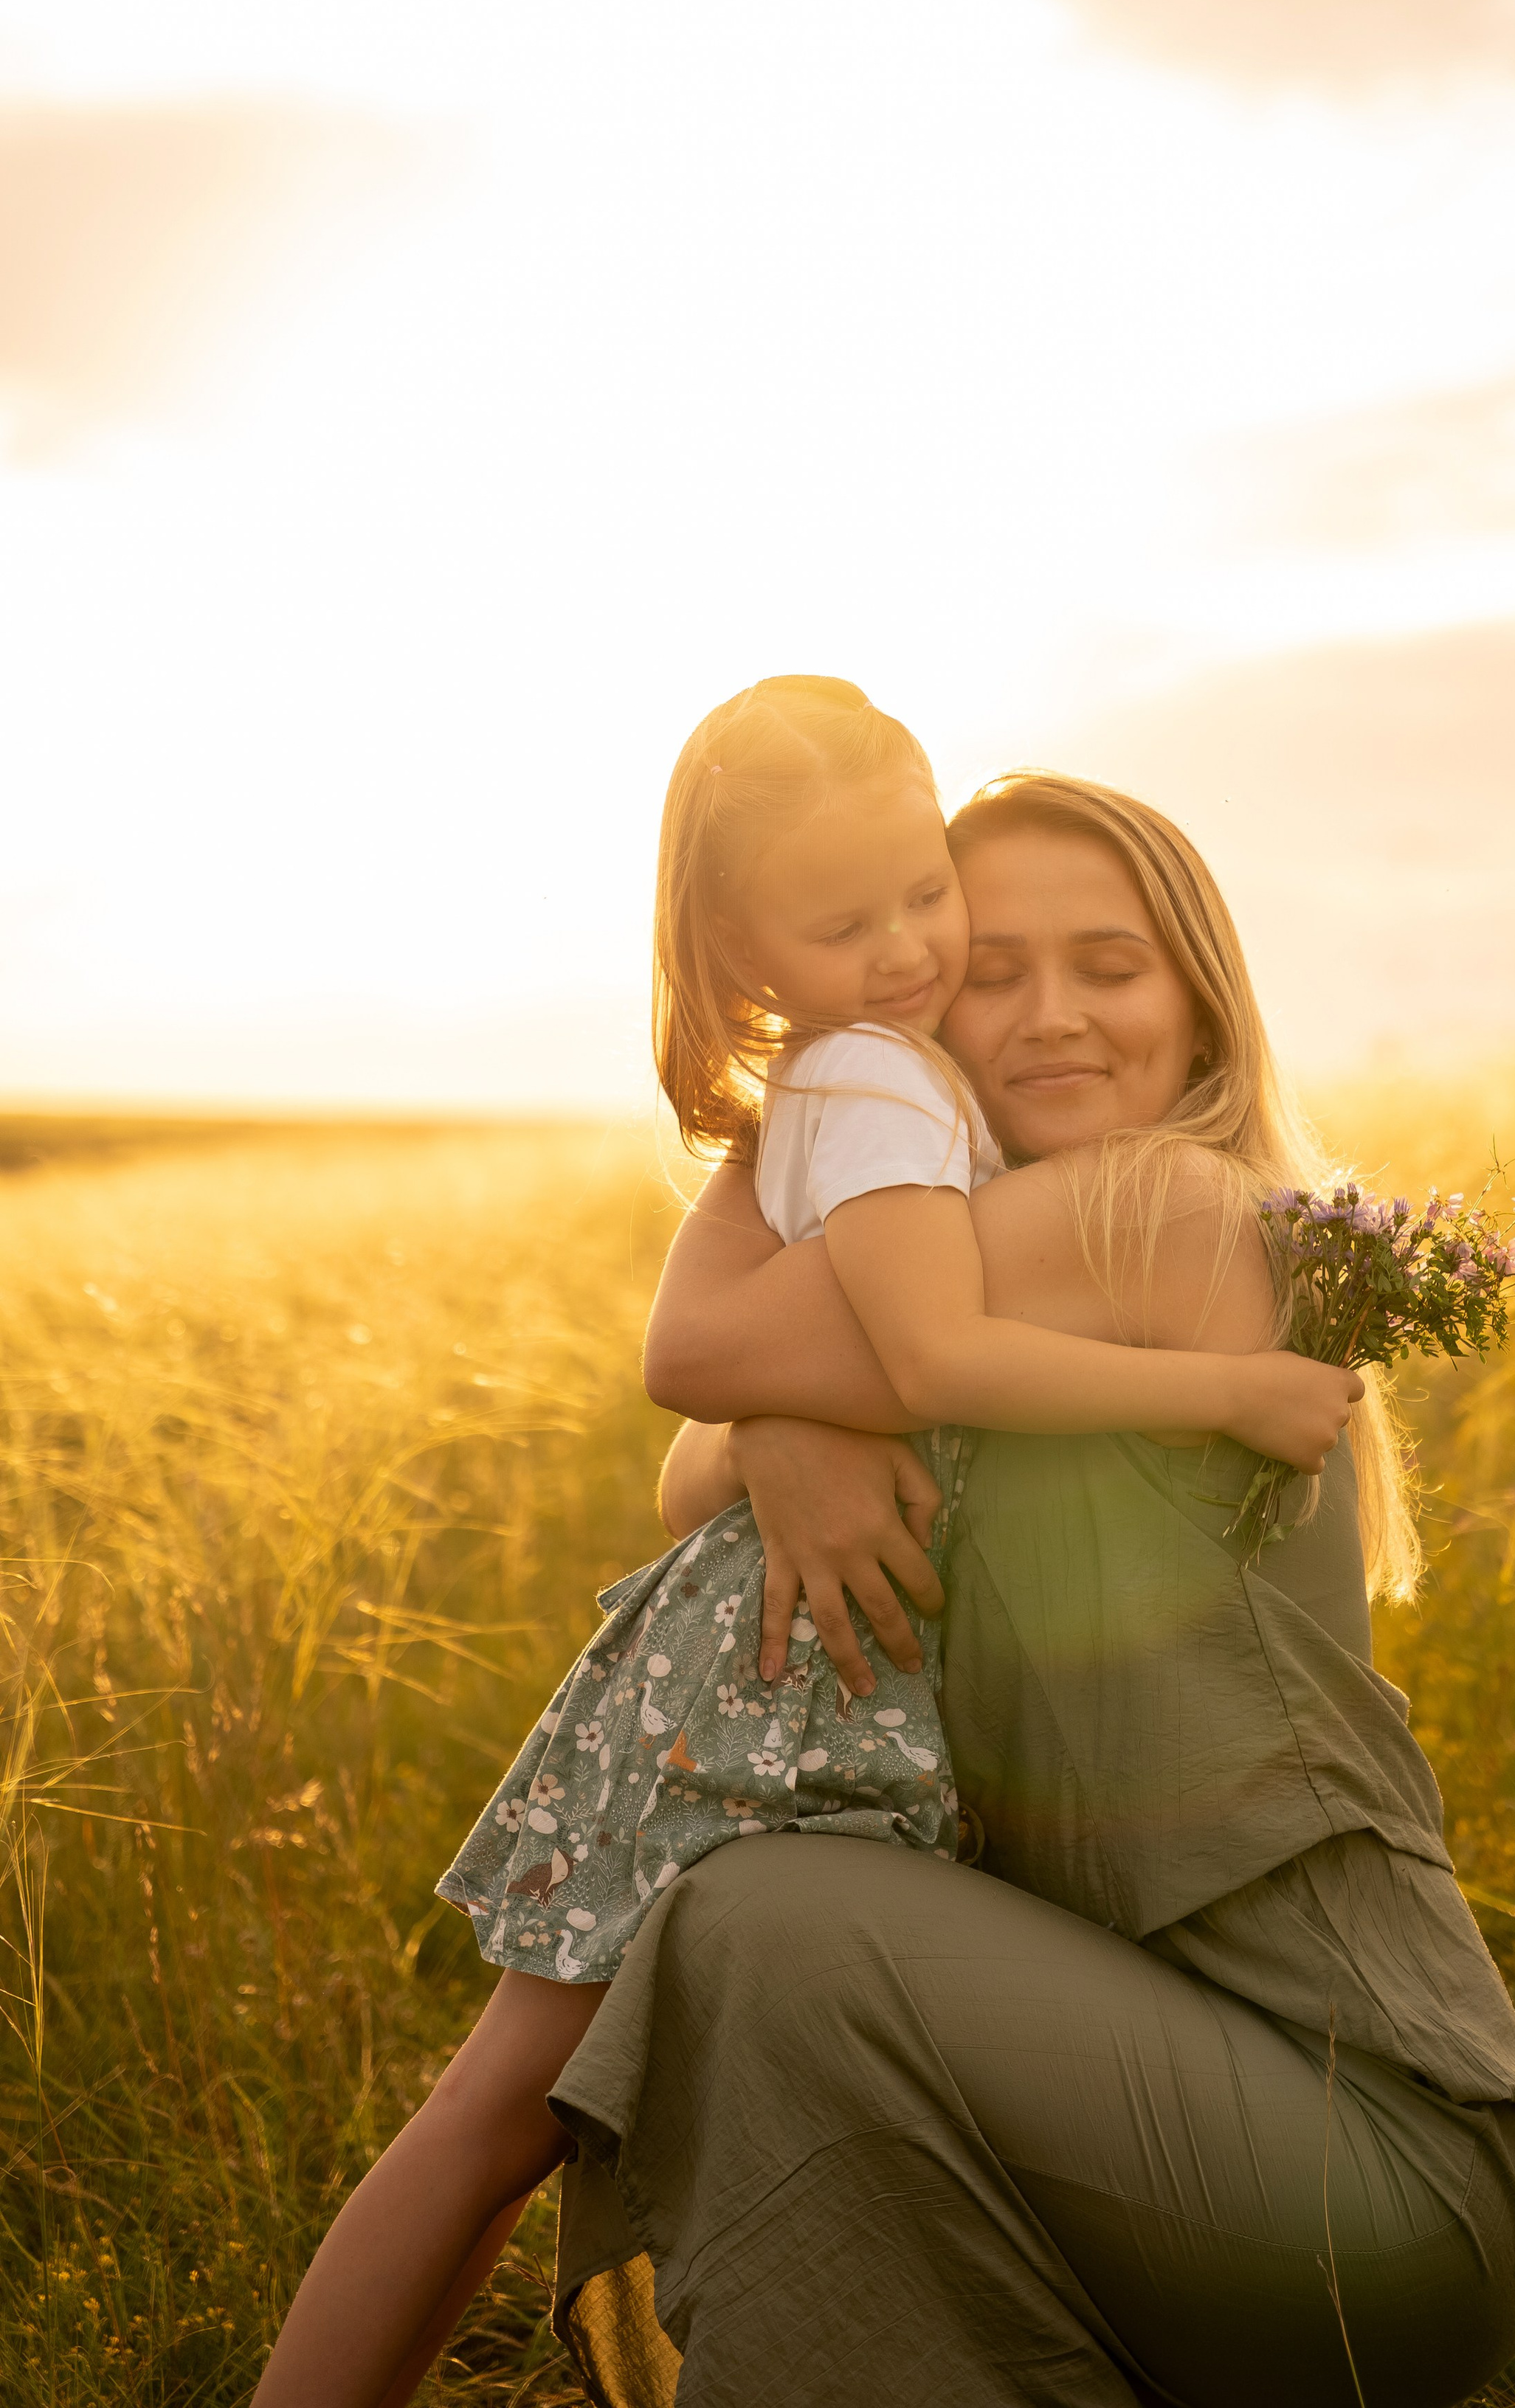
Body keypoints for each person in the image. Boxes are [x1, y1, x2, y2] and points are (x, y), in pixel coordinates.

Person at [252, 686, 1353, 2408]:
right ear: (745, 944)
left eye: (932, 904)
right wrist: (1228, 1387)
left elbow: (752, 1363)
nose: (916, 954)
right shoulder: (877, 1090)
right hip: (770, 1686)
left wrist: (787, 1417)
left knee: (510, 2115)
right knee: (502, 2111)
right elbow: (762, 1360)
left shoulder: (903, 1103)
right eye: (857, 927)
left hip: (806, 1680)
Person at [543, 768, 1515, 2408]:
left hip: (1365, 2166)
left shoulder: (1148, 1210)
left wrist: (771, 1417)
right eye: (993, 969)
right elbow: (703, 1458)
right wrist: (779, 1433)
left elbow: (695, 1373)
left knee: (764, 1923)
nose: (1049, 1017)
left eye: (1107, 966)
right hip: (1135, 2150)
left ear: (1199, 1007)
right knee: (775, 1922)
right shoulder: (982, 1301)